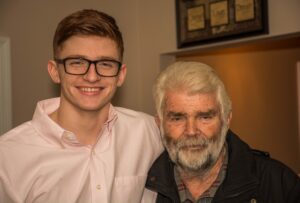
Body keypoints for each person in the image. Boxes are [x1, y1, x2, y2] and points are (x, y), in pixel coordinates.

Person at [0, 9, 163, 203]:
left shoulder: (150, 132)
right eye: (77, 62)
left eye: (105, 64)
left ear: (121, 74)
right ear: (54, 71)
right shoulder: (9, 156)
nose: (92, 77)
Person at [142, 61, 300, 203]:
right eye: (177, 118)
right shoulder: (142, 188)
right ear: (159, 124)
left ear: (226, 119)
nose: (191, 131)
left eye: (205, 117)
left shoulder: (280, 184)